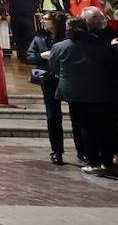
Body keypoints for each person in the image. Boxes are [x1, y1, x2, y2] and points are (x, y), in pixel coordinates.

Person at [50, 15, 118, 173]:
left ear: (68, 29)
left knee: (86, 128)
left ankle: (93, 162)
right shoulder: (101, 44)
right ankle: (107, 161)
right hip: (101, 91)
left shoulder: (59, 47)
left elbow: (55, 70)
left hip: (75, 93)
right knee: (105, 127)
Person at [26, 12, 70, 165]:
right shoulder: (39, 38)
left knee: (77, 115)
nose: (42, 21)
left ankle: (83, 151)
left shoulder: (67, 37)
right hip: (49, 79)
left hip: (67, 78)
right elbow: (29, 57)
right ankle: (57, 151)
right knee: (53, 116)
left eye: (46, 19)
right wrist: (41, 56)